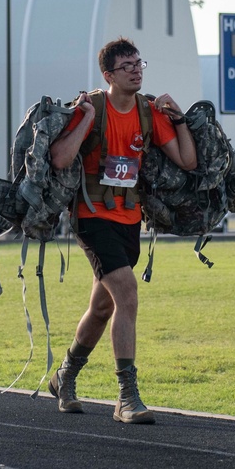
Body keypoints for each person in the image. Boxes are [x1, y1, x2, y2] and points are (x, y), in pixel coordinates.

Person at [47, 37, 197, 423]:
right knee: (127, 293)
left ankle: (64, 377)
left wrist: (178, 118)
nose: (136, 69)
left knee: (102, 307)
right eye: (127, 65)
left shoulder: (149, 113)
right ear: (108, 74)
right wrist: (84, 119)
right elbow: (62, 158)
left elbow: (186, 159)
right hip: (92, 217)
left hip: (130, 220)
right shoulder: (94, 107)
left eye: (138, 63)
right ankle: (126, 397)